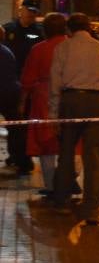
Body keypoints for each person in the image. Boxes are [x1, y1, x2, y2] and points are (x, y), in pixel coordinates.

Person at [50, 13, 99, 225]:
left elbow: (55, 82)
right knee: (97, 157)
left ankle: (62, 201)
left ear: (69, 31)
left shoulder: (63, 48)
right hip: (98, 101)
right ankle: (91, 209)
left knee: (66, 152)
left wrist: (54, 113)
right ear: (89, 28)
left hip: (71, 100)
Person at [19, 13, 69, 195]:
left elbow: (27, 79)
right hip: (70, 96)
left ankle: (50, 185)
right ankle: (69, 179)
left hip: (44, 98)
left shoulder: (39, 49)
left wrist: (23, 101)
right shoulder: (72, 47)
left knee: (46, 144)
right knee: (72, 141)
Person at [3, 3, 43, 173]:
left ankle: (21, 157)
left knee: (20, 125)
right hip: (10, 82)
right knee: (16, 124)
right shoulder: (9, 29)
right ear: (21, 11)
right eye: (29, 12)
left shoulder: (39, 31)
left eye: (35, 13)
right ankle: (16, 156)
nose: (31, 15)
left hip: (27, 84)